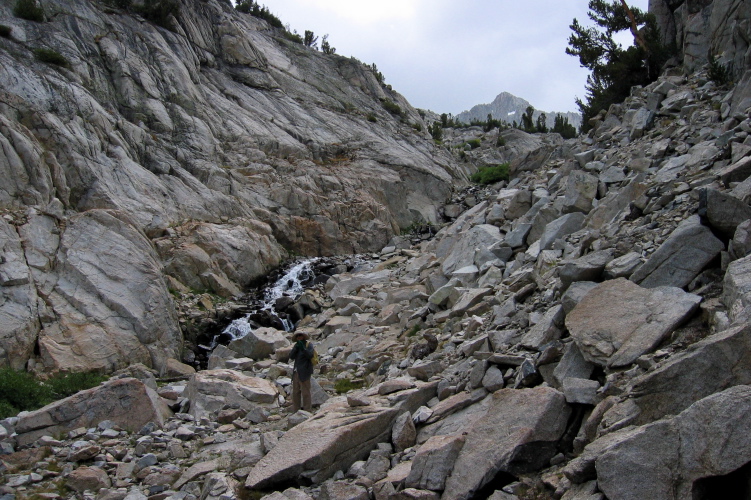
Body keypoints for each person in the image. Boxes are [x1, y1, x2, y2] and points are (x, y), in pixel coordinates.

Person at [289, 331, 314, 412]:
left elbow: (310, 355)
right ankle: (296, 410)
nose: (299, 337)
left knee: (305, 392)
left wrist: (303, 348)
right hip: (296, 371)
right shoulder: (296, 346)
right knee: (295, 392)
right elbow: (291, 356)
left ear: (303, 336)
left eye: (300, 335)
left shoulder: (308, 345)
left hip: (305, 371)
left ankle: (307, 410)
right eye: (297, 336)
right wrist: (296, 348)